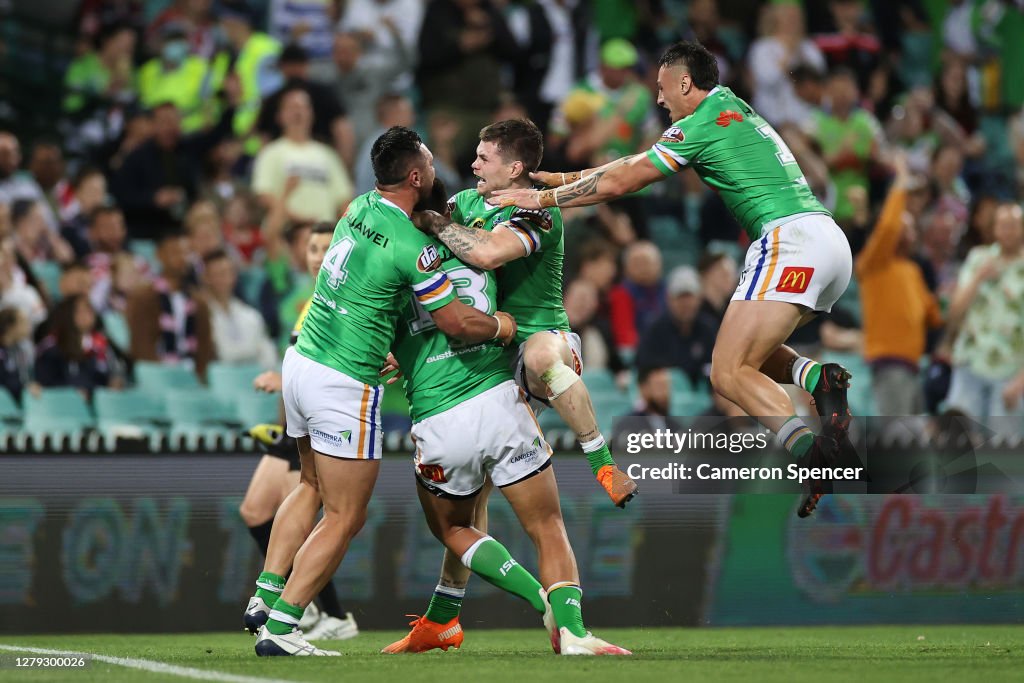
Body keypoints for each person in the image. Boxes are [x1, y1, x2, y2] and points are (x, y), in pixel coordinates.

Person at [495, 42, 854, 518]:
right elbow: (626, 165)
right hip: (829, 241)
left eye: (663, 89)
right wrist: (558, 178)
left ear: (685, 83)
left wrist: (539, 201)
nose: (659, 101)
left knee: (726, 373)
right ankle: (816, 376)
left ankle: (812, 455)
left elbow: (626, 180)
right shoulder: (732, 107)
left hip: (789, 240)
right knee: (751, 352)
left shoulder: (700, 123)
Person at [244, 127, 518, 657]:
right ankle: (282, 625)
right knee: (346, 515)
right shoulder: (414, 249)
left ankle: (266, 593)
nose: (437, 170)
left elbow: (370, 288)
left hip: (302, 361)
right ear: (416, 176)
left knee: (309, 485)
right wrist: (506, 327)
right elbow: (458, 322)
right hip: (343, 382)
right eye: (431, 163)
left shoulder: (358, 206)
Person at [381, 193, 631, 657]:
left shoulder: (398, 265)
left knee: (456, 528)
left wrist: (397, 348)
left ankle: (538, 599)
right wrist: (503, 326)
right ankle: (572, 630)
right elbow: (480, 282)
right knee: (547, 524)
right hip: (501, 402)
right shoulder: (479, 257)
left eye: (484, 157)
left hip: (441, 418)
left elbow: (442, 321)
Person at [414, 119, 638, 506]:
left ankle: (603, 464)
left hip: (544, 339)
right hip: (491, 354)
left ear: (514, 169)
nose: (474, 166)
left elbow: (487, 253)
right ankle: (454, 569)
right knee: (472, 499)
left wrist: (436, 223)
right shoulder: (464, 204)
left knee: (538, 356)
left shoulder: (541, 213)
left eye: (484, 158)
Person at [241, 221, 359, 642]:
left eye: (327, 247)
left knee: (318, 512)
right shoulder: (310, 303)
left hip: (325, 419)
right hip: (295, 425)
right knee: (256, 510)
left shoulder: (349, 297)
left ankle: (325, 612)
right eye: (312, 248)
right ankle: (304, 605)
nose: (318, 255)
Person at [856, 155, 942, 417]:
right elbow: (888, 226)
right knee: (899, 440)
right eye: (906, 226)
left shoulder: (913, 270)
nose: (910, 229)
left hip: (914, 365)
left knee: (915, 444)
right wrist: (901, 183)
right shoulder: (873, 263)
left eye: (912, 226)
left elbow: (932, 315)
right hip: (890, 363)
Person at [944, 202, 1024, 424]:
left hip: (1009, 372)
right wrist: (979, 277)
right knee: (958, 447)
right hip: (970, 362)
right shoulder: (978, 258)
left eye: (1013, 225)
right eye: (1002, 225)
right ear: (994, 228)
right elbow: (954, 312)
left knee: (1001, 455)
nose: (1007, 231)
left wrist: (1020, 382)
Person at [251, 87, 353, 225]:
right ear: (280, 116)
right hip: (288, 233)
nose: (298, 112)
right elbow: (264, 195)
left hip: (324, 235)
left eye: (303, 107)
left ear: (312, 114)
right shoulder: (270, 153)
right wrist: (298, 221)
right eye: (292, 107)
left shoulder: (328, 154)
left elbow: (343, 198)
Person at [125, 229, 214, 382]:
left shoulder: (199, 302)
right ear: (159, 255)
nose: (182, 258)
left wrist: (198, 378)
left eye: (187, 253)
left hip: (190, 378)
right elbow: (140, 346)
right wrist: (162, 377)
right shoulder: (143, 298)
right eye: (175, 252)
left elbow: (205, 349)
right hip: (155, 378)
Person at [635, 266, 717, 388]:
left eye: (689, 297)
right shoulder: (655, 330)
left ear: (699, 298)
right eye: (680, 297)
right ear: (669, 299)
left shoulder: (709, 328)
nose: (685, 304)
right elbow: (644, 366)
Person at [34, 294, 122, 398]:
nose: (86, 315)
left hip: (98, 403)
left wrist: (115, 381)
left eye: (89, 310)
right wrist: (72, 392)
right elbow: (44, 382)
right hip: (64, 406)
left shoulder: (101, 343)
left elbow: (111, 374)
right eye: (79, 311)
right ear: (67, 315)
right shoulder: (51, 346)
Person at [202, 249, 277, 368]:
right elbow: (224, 354)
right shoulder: (201, 314)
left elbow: (268, 355)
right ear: (206, 277)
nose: (224, 279)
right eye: (218, 274)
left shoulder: (250, 315)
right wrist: (250, 353)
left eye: (228, 272)